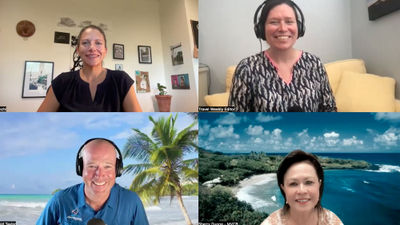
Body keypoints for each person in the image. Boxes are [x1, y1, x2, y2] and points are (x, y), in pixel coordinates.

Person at [229, 0, 336, 112]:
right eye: (274, 22)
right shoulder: (247, 68)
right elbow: (236, 120)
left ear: (299, 27)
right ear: (261, 29)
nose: (283, 29)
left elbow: (330, 111)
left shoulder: (314, 64)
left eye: (289, 22)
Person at [36, 138, 149, 225]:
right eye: (92, 166)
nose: (99, 174)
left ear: (117, 170)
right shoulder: (60, 200)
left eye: (107, 166)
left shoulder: (131, 202)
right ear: (81, 169)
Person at [37, 25, 142, 112]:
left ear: (105, 51)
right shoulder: (62, 81)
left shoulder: (121, 80)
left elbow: (138, 123)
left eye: (98, 43)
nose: (92, 48)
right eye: (85, 43)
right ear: (78, 50)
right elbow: (40, 121)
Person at [261, 150, 343, 225]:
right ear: (283, 188)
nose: (302, 191)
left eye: (309, 182)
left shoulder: (333, 222)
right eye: (293, 184)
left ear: (319, 184)